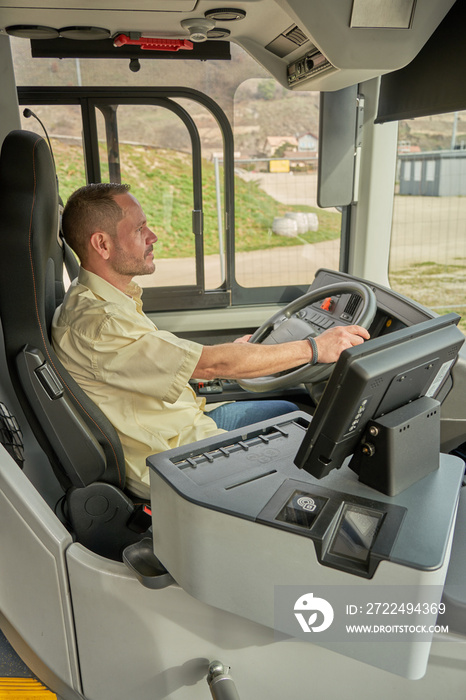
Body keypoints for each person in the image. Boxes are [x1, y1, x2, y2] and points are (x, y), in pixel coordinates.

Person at [52, 183, 369, 498]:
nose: (153, 237)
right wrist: (315, 348)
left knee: (289, 409)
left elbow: (181, 359)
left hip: (183, 423)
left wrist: (243, 354)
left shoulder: (101, 302)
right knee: (321, 457)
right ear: (102, 245)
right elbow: (210, 365)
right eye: (139, 229)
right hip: (178, 457)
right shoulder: (100, 322)